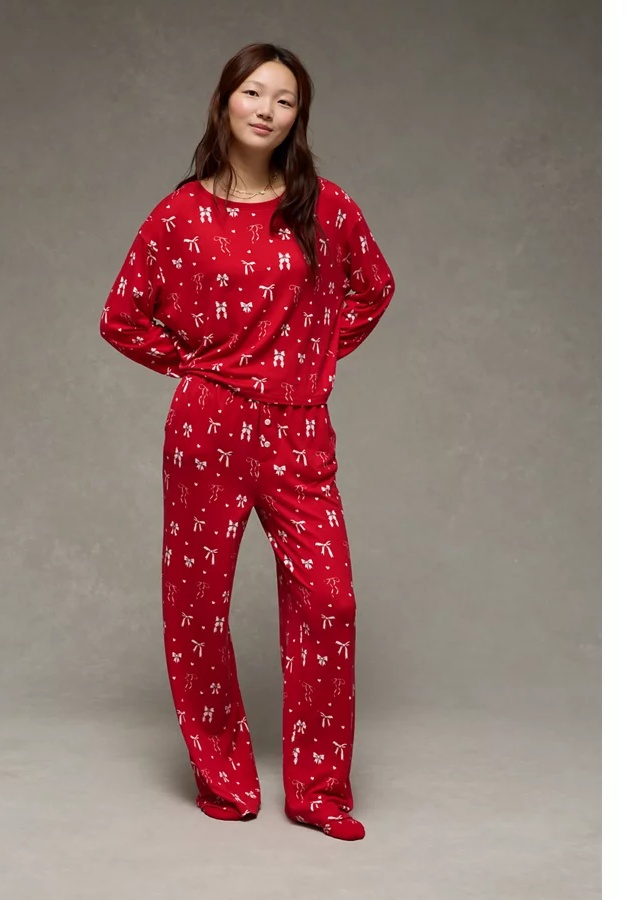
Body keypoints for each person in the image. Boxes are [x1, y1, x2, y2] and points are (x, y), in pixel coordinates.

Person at [99, 43, 395, 841]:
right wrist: (197, 366)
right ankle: (225, 781)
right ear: (225, 101)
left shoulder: (326, 207)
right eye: (254, 93)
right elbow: (121, 317)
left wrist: (312, 358)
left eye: (285, 100)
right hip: (209, 428)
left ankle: (318, 792)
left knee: (329, 600)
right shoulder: (177, 215)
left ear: (299, 118)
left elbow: (374, 287)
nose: (267, 109)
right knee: (197, 608)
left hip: (299, 431)